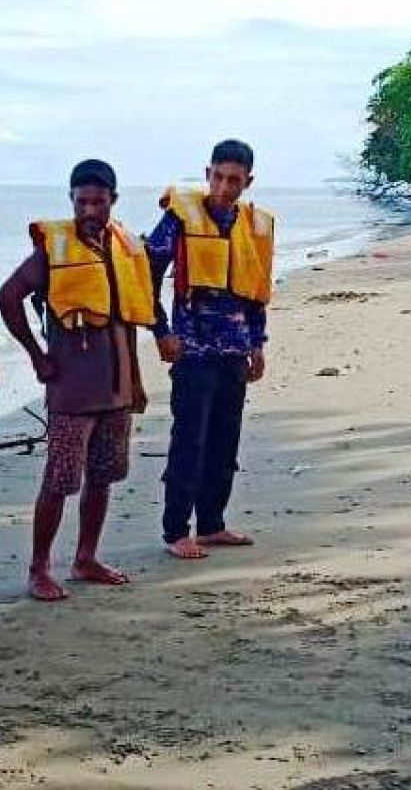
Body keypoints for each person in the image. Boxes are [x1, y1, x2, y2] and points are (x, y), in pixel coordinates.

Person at [0, 159, 155, 601]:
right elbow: (7, 297)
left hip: (117, 384)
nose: (89, 210)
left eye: (98, 202)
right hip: (72, 386)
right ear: (70, 200)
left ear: (113, 202)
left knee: (103, 476)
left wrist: (136, 381)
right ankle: (39, 567)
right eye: (81, 201)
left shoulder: (124, 247)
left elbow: (129, 320)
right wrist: (36, 355)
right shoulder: (54, 249)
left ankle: (86, 558)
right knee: (61, 479)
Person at [147, 139, 274, 560]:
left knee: (225, 441)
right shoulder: (180, 219)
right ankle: (175, 531)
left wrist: (258, 344)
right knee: (190, 441)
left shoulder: (254, 226)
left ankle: (213, 524)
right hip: (193, 351)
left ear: (248, 182)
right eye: (218, 177)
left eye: (234, 180)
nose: (224, 187)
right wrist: (161, 331)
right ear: (207, 174)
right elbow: (146, 274)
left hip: (235, 351)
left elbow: (256, 291)